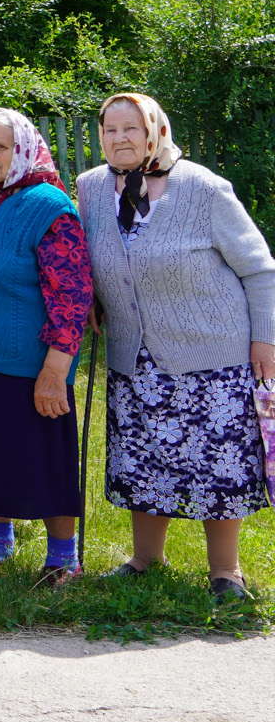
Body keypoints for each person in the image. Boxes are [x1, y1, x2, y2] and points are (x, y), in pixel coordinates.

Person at [81, 92, 275, 600]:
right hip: (134, 355)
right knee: (141, 458)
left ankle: (225, 571)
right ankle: (145, 559)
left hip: (212, 353)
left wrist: (265, 339)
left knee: (219, 463)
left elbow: (260, 269)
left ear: (155, 131)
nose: (120, 139)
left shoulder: (203, 188)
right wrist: (95, 298)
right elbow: (92, 258)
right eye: (110, 130)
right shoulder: (91, 188)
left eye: (131, 128)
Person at [0, 108, 91, 587]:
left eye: (0, 147)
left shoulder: (49, 206)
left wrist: (55, 371)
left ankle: (64, 559)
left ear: (22, 150)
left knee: (45, 461)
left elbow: (72, 297)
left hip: (30, 365)